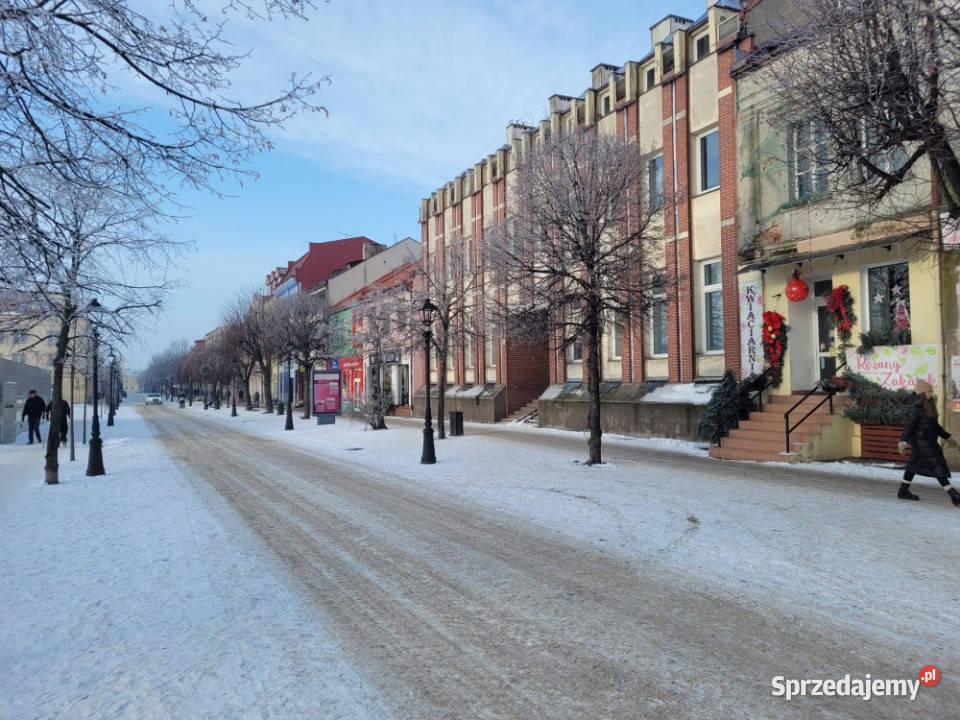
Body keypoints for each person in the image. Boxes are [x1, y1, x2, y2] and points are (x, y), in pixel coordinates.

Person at [897, 379, 960, 506]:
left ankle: (903, 491)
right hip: (922, 443)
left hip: (928, 441)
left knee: (913, 466)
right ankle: (954, 495)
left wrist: (947, 437)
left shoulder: (928, 406)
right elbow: (909, 426)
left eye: (931, 390)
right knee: (937, 465)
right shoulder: (916, 408)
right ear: (922, 393)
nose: (932, 393)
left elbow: (935, 427)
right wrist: (903, 441)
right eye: (929, 391)